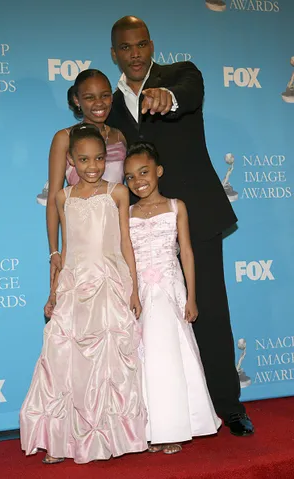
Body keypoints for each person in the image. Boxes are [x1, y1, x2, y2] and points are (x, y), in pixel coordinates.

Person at [107, 15, 254, 436]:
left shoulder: (181, 75)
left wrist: (165, 97)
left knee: (207, 311)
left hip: (195, 215)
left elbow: (186, 96)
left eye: (140, 45)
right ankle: (155, 413)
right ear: (114, 53)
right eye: (125, 48)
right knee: (149, 321)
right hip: (138, 228)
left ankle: (228, 406)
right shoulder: (110, 104)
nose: (134, 54)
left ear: (151, 45)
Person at [20, 124, 147, 464]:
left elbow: (125, 242)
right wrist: (54, 290)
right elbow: (66, 247)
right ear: (71, 162)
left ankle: (114, 436)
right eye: (84, 159)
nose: (93, 166)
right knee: (66, 361)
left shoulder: (118, 192)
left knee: (113, 365)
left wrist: (133, 287)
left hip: (108, 282)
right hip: (75, 285)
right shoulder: (63, 197)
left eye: (100, 158)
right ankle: (63, 439)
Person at [125, 142, 222, 454]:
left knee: (173, 356)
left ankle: (176, 426)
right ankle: (150, 428)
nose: (138, 180)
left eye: (144, 172)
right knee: (146, 358)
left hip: (171, 288)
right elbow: (126, 259)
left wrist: (192, 296)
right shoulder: (125, 213)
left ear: (159, 171)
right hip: (141, 292)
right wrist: (130, 292)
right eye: (130, 177)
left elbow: (188, 253)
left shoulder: (176, 206)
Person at [47, 69, 127, 287]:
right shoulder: (64, 138)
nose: (99, 103)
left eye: (105, 95)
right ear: (77, 100)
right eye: (89, 97)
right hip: (82, 242)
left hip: (119, 240)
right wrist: (54, 250)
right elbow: (54, 198)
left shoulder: (120, 136)